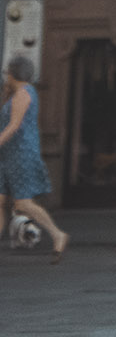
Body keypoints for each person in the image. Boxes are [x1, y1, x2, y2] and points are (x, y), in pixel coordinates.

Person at [0, 55, 68, 260]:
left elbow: (13, 125)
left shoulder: (23, 94)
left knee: (22, 203)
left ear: (13, 73)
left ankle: (57, 234)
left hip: (20, 154)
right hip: (8, 155)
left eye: (7, 73)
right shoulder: (18, 93)